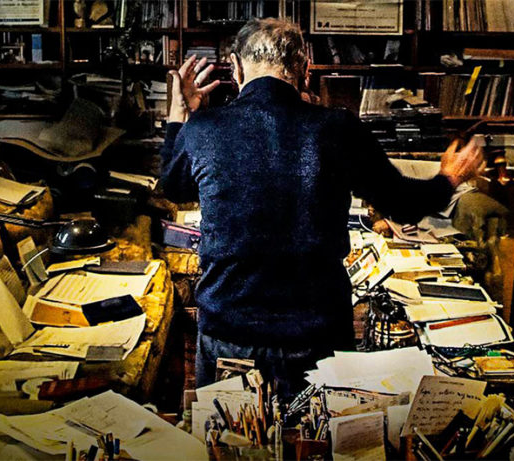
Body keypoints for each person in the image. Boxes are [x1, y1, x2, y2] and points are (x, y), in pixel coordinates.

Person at [161, 18, 483, 397]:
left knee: (228, 432)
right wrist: (449, 178)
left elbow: (173, 186)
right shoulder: (339, 128)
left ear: (236, 67)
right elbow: (405, 205)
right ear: (305, 69)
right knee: (320, 434)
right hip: (316, 336)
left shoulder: (203, 129)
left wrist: (179, 115)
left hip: (230, 333)